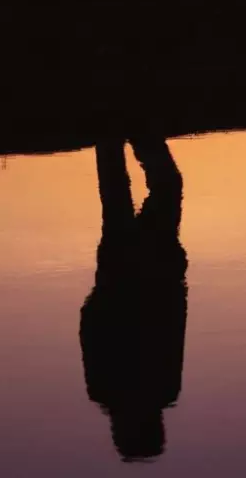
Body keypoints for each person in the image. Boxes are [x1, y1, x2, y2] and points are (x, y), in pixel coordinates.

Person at [79, 134, 188, 461]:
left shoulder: (156, 389)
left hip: (140, 277)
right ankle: (129, 132)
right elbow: (173, 325)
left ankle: (128, 131)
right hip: (143, 275)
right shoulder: (113, 391)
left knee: (142, 190)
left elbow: (173, 324)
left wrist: (176, 279)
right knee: (121, 192)